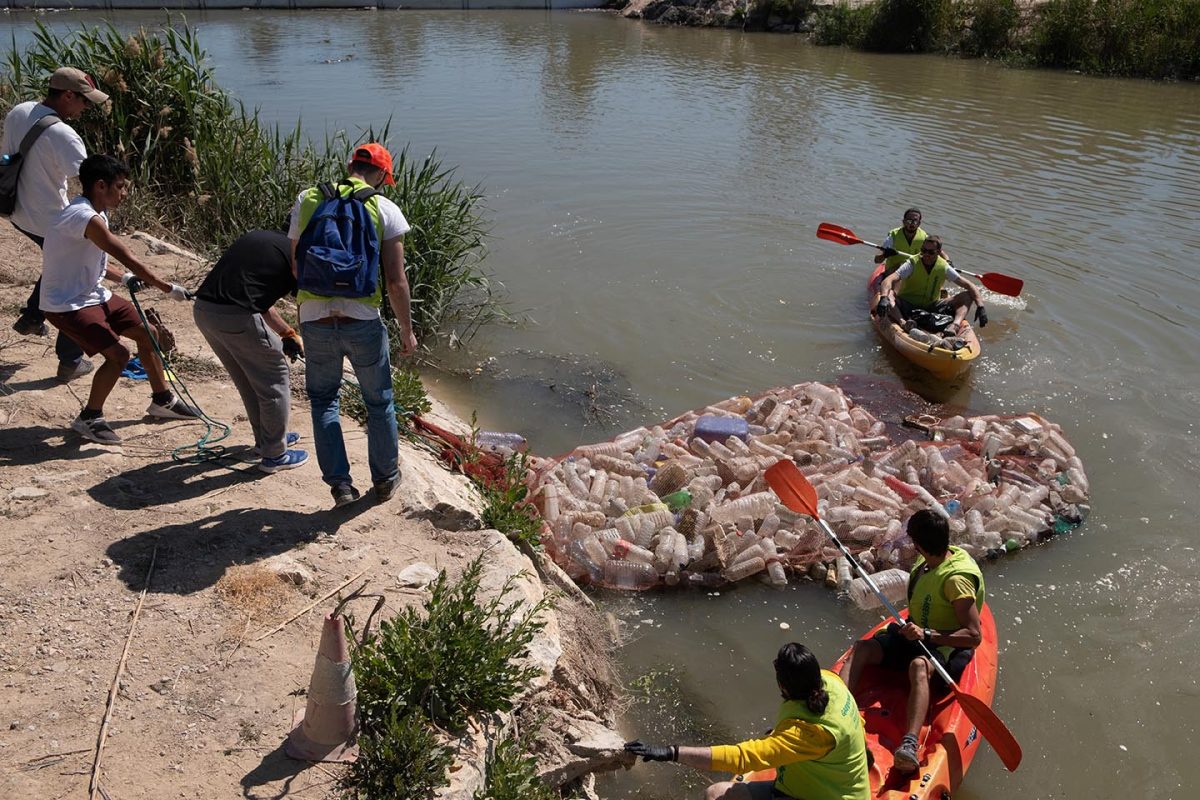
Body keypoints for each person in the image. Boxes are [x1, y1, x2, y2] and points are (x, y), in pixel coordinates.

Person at [287, 143, 418, 508]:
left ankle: (341, 487)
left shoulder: (309, 198)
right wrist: (407, 329)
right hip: (362, 320)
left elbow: (296, 264)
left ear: (349, 165)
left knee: (324, 401)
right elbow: (396, 281)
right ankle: (385, 480)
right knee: (379, 402)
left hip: (315, 318)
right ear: (380, 175)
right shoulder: (384, 208)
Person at [39, 154, 199, 444]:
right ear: (101, 185)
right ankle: (90, 417)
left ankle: (161, 400)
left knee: (148, 334)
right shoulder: (84, 217)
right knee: (119, 356)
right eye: (121, 186)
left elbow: (95, 260)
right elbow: (126, 255)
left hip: (93, 294)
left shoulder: (95, 211)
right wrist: (167, 288)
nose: (125, 193)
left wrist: (122, 278)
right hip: (66, 304)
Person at [838, 510, 984, 775]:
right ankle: (836, 711)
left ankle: (909, 743)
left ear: (919, 544)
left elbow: (974, 636)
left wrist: (927, 634)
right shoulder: (929, 558)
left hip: (945, 648)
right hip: (915, 635)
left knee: (918, 666)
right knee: (862, 649)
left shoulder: (956, 581)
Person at [624, 643, 870, 800]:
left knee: (715, 794)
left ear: (782, 685)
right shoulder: (832, 683)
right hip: (823, 786)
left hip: (821, 795)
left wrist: (670, 752)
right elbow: (852, 725)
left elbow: (740, 757)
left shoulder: (810, 735)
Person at [3, 67, 109, 382]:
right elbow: (92, 186)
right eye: (84, 102)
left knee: (55, 267)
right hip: (49, 218)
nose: (86, 108)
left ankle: (34, 316)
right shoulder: (64, 134)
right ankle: (70, 360)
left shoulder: (19, 111)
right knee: (74, 282)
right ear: (67, 95)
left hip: (17, 211)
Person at [193, 230, 308, 474]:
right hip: (236, 317)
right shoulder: (300, 257)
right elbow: (304, 303)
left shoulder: (264, 241)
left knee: (248, 379)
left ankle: (266, 441)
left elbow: (259, 299)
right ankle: (275, 454)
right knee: (275, 378)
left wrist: (287, 333)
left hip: (204, 311)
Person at [872, 235, 987, 335]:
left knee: (967, 295)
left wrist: (980, 307)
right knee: (890, 294)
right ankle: (903, 323)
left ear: (938, 252)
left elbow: (969, 285)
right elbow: (888, 280)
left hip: (932, 306)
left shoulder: (944, 267)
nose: (926, 254)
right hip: (908, 305)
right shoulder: (912, 263)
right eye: (924, 250)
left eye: (931, 252)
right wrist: (883, 298)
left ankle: (955, 326)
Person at [873, 208, 928, 276]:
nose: (912, 224)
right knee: (901, 266)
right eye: (909, 220)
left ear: (919, 223)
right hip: (893, 271)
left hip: (912, 272)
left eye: (915, 221)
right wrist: (885, 255)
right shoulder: (893, 236)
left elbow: (938, 252)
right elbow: (876, 260)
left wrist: (945, 260)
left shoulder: (924, 237)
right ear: (903, 221)